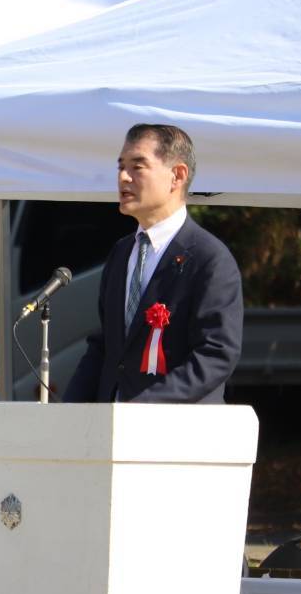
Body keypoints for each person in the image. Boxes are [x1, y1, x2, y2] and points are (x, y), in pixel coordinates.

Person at [64, 123, 243, 404]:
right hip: (113, 424)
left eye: (137, 167)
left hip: (174, 425)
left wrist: (145, 407)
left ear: (177, 176)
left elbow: (216, 354)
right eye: (121, 167)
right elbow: (105, 345)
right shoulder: (122, 252)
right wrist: (68, 409)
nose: (123, 177)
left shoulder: (209, 259)